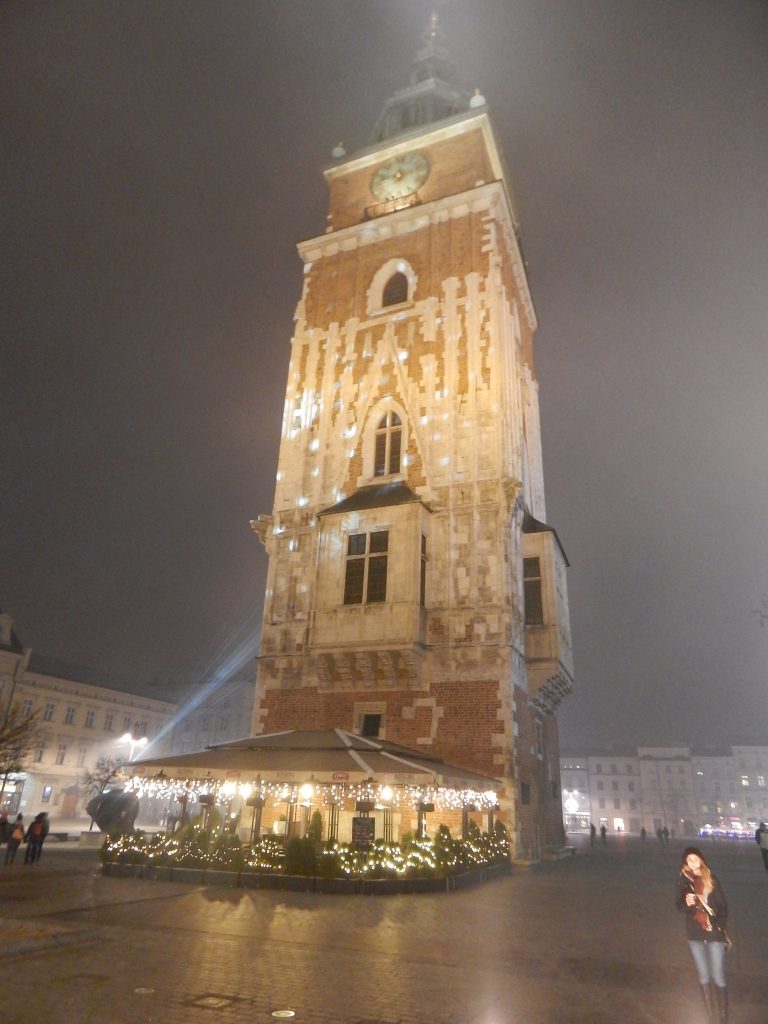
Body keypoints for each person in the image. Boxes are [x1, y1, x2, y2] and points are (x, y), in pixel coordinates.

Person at [676, 847, 729, 1022]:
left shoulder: (712, 879)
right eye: (689, 860)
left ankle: (722, 1017)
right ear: (686, 863)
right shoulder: (683, 882)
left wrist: (719, 927)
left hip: (714, 934)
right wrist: (687, 903)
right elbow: (679, 906)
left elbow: (723, 907)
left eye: (695, 858)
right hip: (694, 935)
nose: (692, 862)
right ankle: (710, 1015)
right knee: (704, 975)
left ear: (701, 860)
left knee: (718, 975)